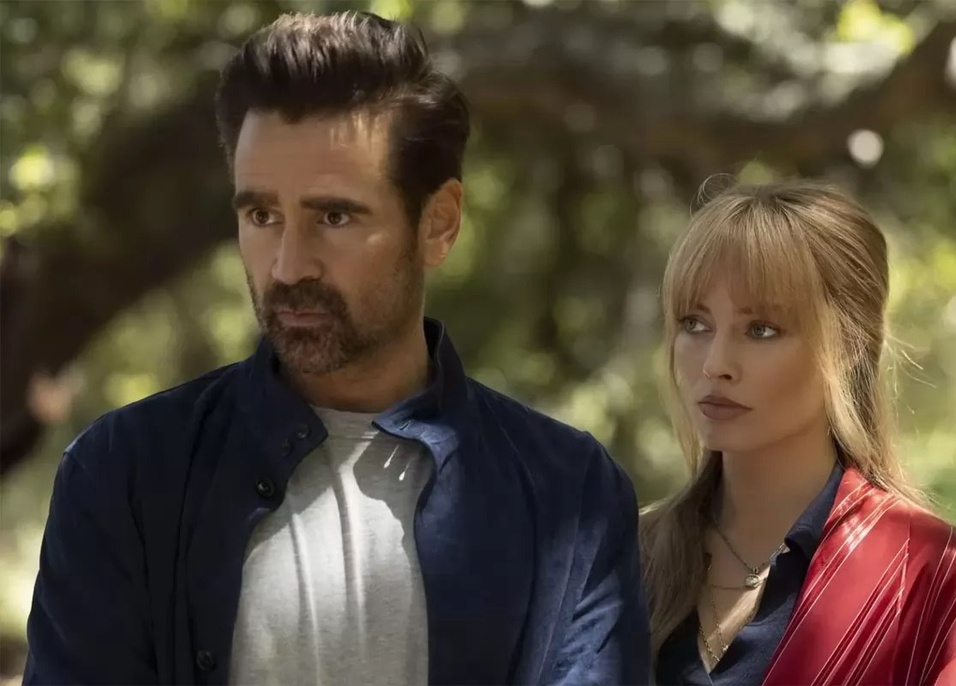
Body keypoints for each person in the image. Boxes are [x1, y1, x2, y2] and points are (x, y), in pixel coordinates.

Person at [24, 11, 649, 686]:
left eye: (335, 216)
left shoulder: (570, 495)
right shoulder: (123, 475)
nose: (289, 265)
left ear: (438, 224)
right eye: (262, 215)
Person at [639, 178, 956, 685]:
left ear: (850, 345)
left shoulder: (942, 590)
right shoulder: (620, 561)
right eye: (694, 324)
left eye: (761, 330)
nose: (715, 364)